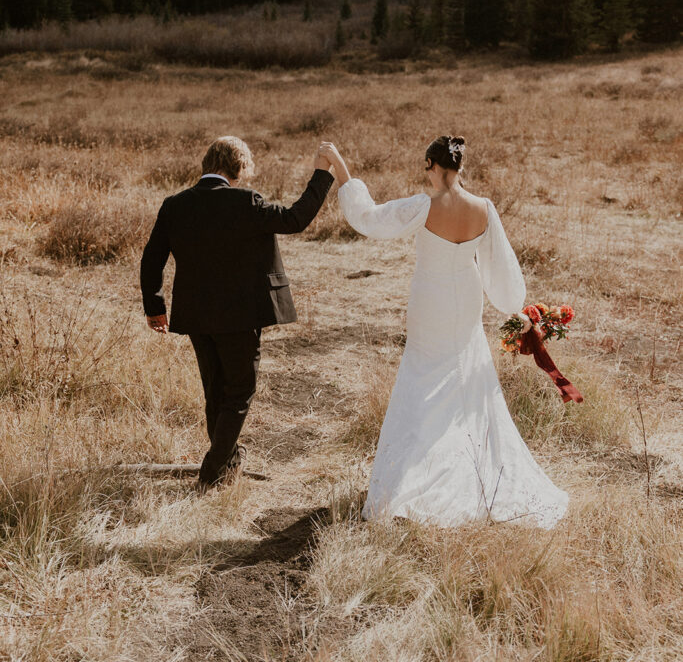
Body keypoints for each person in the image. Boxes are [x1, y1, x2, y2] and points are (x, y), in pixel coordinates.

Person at [319, 136, 568, 529]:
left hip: (430, 301)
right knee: (465, 376)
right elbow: (500, 270)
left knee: (421, 378)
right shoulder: (483, 208)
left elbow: (369, 217)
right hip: (466, 300)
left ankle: (415, 477)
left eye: (427, 169)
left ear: (432, 166)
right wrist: (514, 308)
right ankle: (472, 469)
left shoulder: (424, 206)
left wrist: (340, 167)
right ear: (461, 168)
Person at [140, 135, 334, 492]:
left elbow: (152, 258)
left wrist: (155, 307)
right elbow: (295, 219)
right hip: (241, 316)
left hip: (196, 316)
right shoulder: (247, 202)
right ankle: (211, 472)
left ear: (206, 164)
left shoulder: (174, 205)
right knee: (239, 391)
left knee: (215, 392)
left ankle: (227, 465)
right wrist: (322, 173)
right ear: (239, 167)